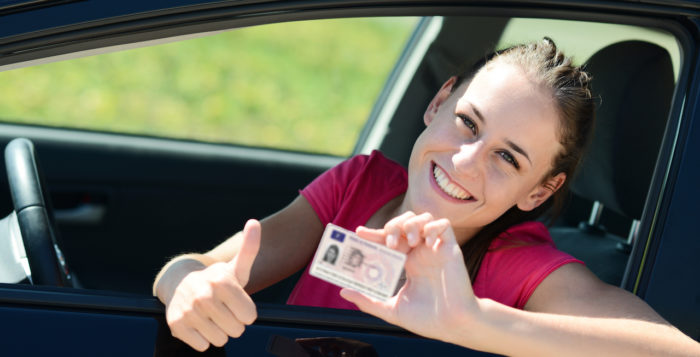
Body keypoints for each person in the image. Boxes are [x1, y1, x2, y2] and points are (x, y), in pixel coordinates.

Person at [153, 38, 700, 355]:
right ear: (439, 102)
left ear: (541, 191)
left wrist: (472, 320)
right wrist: (188, 285)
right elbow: (193, 268)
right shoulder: (359, 184)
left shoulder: (520, 265)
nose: (465, 160)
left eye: (508, 158)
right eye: (467, 122)